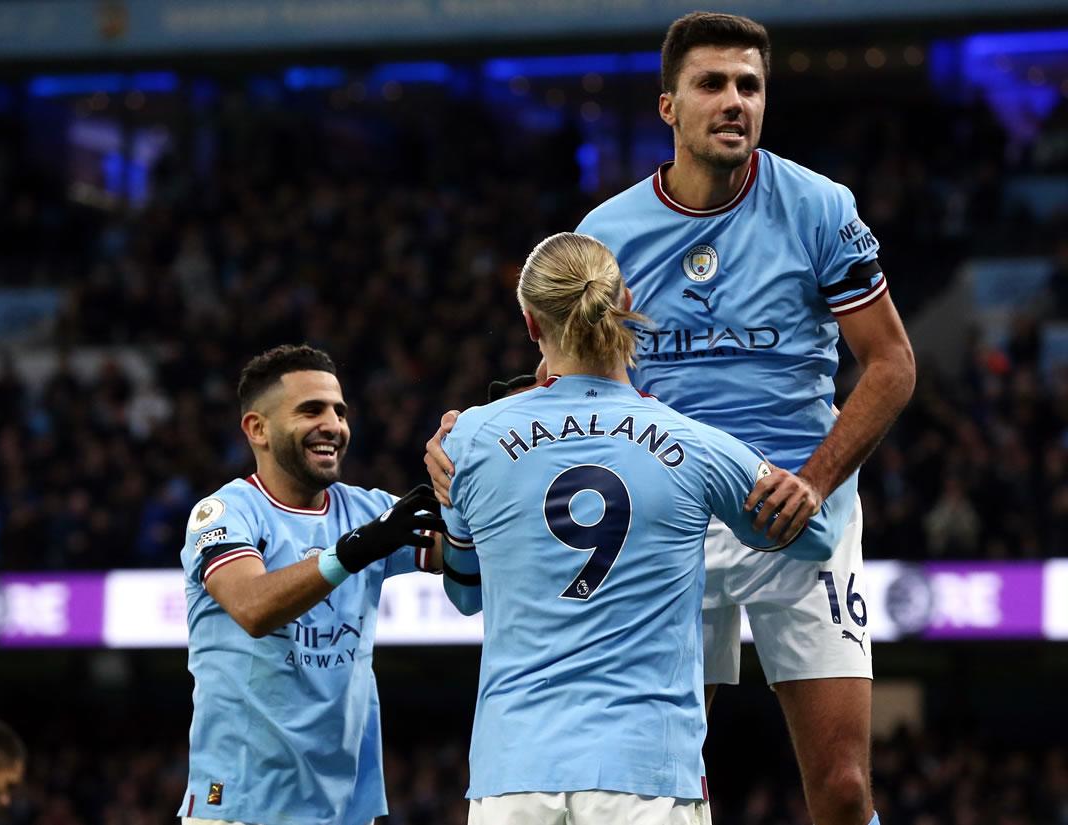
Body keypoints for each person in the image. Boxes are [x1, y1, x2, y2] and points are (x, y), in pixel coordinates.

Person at [429, 13, 915, 825]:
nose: (734, 102)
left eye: (750, 87)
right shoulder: (608, 234)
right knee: (659, 773)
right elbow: (572, 384)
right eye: (713, 84)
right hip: (673, 515)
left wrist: (817, 479)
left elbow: (893, 364)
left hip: (801, 508)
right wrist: (469, 431)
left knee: (843, 787)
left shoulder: (821, 208)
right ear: (669, 108)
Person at [438, 232, 856, 825]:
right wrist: (832, 453)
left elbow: (463, 594)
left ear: (531, 325)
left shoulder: (470, 439)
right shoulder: (694, 445)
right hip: (645, 777)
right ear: (626, 300)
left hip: (514, 778)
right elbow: (812, 538)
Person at [178, 344, 443, 825]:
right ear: (257, 429)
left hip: (344, 811)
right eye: (311, 410)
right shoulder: (223, 513)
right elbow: (251, 606)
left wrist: (485, 454)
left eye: (340, 411)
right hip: (241, 807)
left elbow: (467, 552)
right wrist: (354, 550)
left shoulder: (367, 511)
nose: (334, 425)